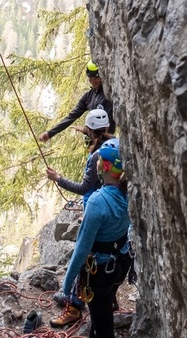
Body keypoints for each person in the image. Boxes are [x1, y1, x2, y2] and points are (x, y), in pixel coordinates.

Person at [50, 142, 132, 336]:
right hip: (121, 262)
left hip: (101, 271)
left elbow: (82, 248)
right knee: (101, 310)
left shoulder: (97, 202)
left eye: (99, 160)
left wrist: (67, 283)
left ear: (104, 167)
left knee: (103, 321)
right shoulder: (129, 192)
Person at [46, 112, 114, 206]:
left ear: (89, 129)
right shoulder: (114, 144)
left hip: (96, 206)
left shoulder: (97, 156)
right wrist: (83, 130)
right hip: (112, 202)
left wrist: (58, 178)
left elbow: (83, 188)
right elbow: (96, 132)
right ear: (107, 127)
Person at [39, 61, 115, 142]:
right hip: (95, 143)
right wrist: (50, 133)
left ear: (102, 76)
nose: (93, 81)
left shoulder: (108, 95)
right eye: (90, 78)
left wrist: (84, 130)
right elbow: (71, 116)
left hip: (107, 143)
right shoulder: (88, 97)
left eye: (96, 78)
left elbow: (108, 128)